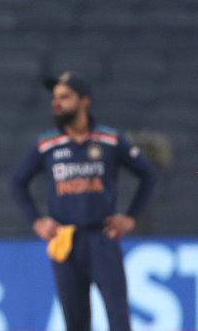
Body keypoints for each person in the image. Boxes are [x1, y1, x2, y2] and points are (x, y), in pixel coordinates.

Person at [10, 71, 158, 331]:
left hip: (102, 239)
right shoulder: (48, 144)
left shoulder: (109, 140)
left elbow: (149, 175)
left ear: (84, 101)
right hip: (65, 242)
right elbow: (17, 182)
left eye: (65, 97)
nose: (57, 103)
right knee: (76, 324)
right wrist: (37, 221)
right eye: (55, 98)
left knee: (119, 320)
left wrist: (130, 217)